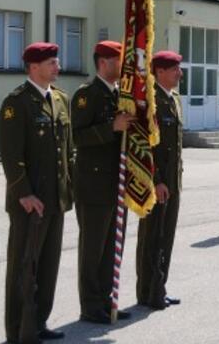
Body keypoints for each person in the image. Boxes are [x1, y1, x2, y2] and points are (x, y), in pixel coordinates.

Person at [0, 42, 73, 343]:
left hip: (55, 199)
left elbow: (67, 152)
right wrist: (24, 193)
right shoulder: (17, 103)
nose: (57, 67)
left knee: (48, 265)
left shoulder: (60, 99)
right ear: (33, 68)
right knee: (23, 266)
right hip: (30, 202)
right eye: (51, 63)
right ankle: (18, 330)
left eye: (56, 62)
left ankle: (39, 323)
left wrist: (70, 190)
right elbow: (10, 154)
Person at [71, 41, 135, 323]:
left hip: (115, 185)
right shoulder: (87, 95)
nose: (124, 67)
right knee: (92, 249)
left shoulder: (120, 95)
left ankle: (107, 300)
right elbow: (78, 136)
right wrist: (112, 127)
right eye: (119, 61)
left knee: (112, 247)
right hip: (93, 185)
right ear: (104, 62)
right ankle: (90, 304)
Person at [135, 50, 184, 310]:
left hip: (173, 183)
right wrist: (156, 180)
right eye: (175, 69)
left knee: (166, 238)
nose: (180, 73)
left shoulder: (173, 100)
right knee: (152, 237)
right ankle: (147, 291)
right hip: (158, 183)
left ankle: (159, 287)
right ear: (160, 72)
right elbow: (147, 146)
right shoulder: (150, 102)